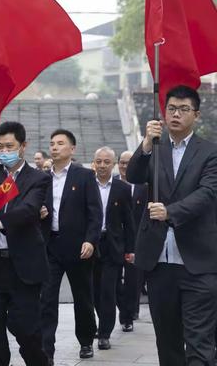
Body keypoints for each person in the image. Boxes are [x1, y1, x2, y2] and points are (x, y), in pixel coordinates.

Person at [127, 85, 217, 366]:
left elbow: (207, 193)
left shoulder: (210, 152)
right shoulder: (156, 148)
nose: (176, 114)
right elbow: (133, 176)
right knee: (167, 344)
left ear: (196, 115)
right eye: (171, 109)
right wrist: (145, 144)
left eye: (183, 109)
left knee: (200, 345)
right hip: (159, 262)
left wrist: (169, 212)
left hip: (198, 263)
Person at [0, 121, 51, 366]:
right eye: (0, 147)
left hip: (23, 265)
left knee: (26, 329)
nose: (4, 151)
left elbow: (29, 209)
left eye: (9, 146)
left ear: (23, 146)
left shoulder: (38, 178)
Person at [40, 129, 102, 363]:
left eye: (60, 143)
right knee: (46, 299)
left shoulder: (84, 176)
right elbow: (34, 206)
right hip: (50, 246)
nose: (54, 147)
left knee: (83, 297)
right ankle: (47, 349)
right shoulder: (43, 177)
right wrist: (39, 212)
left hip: (78, 247)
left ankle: (86, 340)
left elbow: (96, 213)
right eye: (52, 143)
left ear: (72, 149)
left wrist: (90, 240)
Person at [92, 147, 135, 350]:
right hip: (90, 245)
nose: (102, 166)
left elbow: (129, 221)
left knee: (108, 291)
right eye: (98, 161)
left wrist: (130, 248)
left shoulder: (122, 188)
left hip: (113, 246)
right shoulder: (86, 184)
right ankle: (101, 321)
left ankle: (104, 332)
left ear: (113, 164)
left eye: (106, 162)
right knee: (93, 291)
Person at [116, 150, 148, 331]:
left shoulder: (144, 187)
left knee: (132, 279)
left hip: (135, 241)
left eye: (129, 163)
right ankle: (124, 309)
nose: (125, 166)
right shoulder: (110, 183)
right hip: (113, 240)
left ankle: (130, 312)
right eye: (122, 162)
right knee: (112, 282)